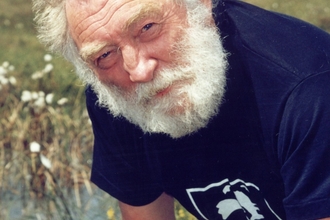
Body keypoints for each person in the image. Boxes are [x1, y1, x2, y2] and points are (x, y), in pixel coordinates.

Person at [32, 0, 330, 219]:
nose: (139, 71)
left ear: (200, 6)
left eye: (147, 27)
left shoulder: (308, 91)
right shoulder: (117, 96)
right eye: (105, 54)